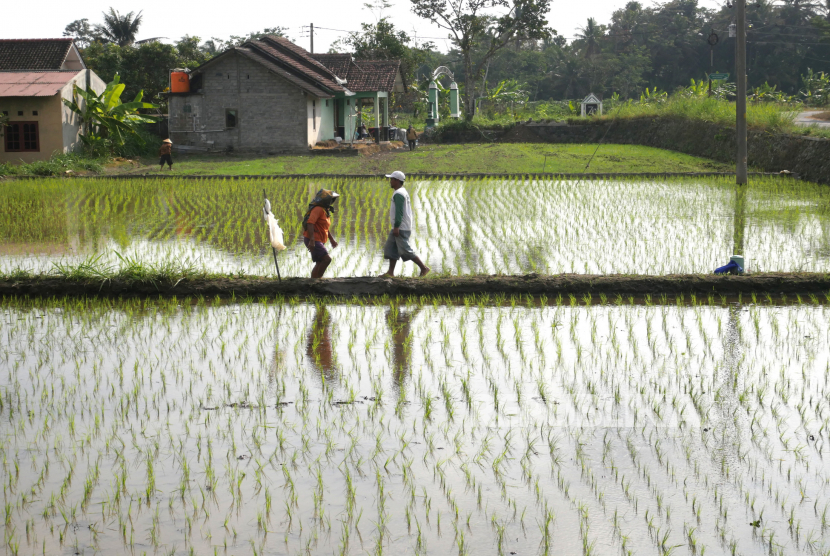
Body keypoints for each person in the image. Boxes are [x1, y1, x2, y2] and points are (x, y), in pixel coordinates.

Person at [381, 171, 430, 277]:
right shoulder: (401, 191)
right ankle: (390, 272)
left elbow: (399, 212)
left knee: (405, 250)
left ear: (397, 181)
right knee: (391, 248)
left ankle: (424, 268)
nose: (390, 181)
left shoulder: (399, 194)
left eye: (392, 179)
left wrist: (397, 226)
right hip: (399, 226)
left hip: (401, 227)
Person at [302, 189, 340, 279]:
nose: (332, 202)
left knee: (320, 261)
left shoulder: (325, 210)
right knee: (327, 259)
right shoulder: (318, 209)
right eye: (331, 200)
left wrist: (331, 240)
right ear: (326, 200)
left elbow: (324, 227)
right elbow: (310, 223)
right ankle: (318, 279)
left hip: (318, 239)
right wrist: (312, 241)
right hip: (314, 239)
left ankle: (314, 281)